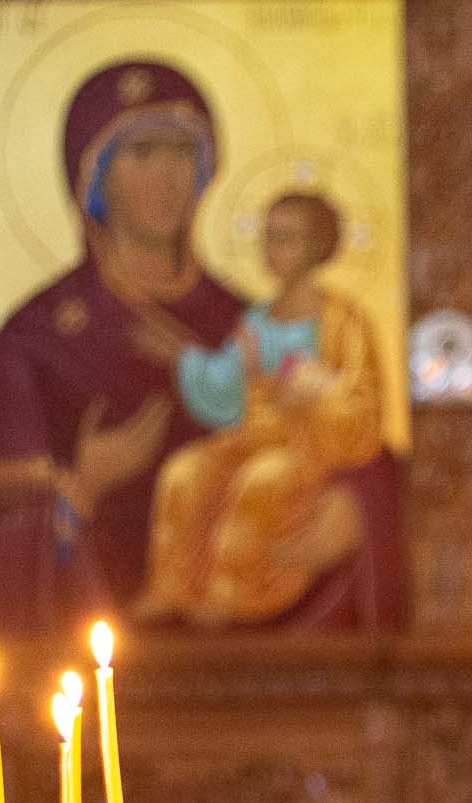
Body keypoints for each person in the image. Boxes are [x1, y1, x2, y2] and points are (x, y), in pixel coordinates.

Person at [0, 59, 400, 631]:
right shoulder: (34, 342)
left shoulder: (249, 319)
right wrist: (82, 487)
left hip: (272, 641)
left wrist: (355, 513)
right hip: (90, 651)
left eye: (182, 152)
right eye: (141, 153)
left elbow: (360, 436)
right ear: (92, 176)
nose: (167, 175)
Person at [130, 190, 388, 625]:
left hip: (309, 446)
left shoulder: (344, 323)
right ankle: (172, 588)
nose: (273, 248)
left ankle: (235, 595)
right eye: (269, 237)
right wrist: (186, 359)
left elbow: (362, 404)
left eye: (286, 239)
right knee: (184, 472)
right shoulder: (257, 318)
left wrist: (314, 392)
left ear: (317, 247)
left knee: (262, 479)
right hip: (251, 436)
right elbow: (226, 384)